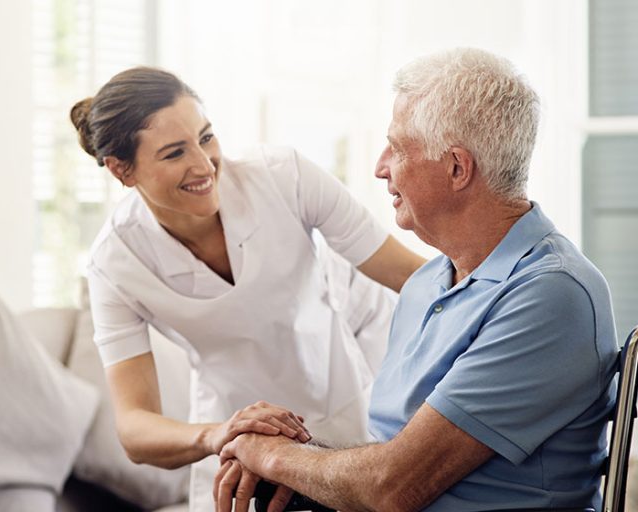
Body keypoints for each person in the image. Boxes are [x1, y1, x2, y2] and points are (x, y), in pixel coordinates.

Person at [215, 47, 619, 512]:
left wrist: (271, 454)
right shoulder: (426, 283)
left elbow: (393, 486)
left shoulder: (552, 294)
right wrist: (280, 454)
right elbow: (389, 457)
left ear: (456, 168)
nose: (380, 166)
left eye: (398, 147)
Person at [69, 67, 425, 511]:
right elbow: (135, 429)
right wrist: (220, 433)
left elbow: (413, 276)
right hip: (239, 450)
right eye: (174, 153)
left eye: (206, 137)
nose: (203, 165)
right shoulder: (115, 263)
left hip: (342, 411)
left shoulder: (283, 176)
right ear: (122, 170)